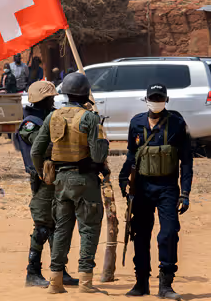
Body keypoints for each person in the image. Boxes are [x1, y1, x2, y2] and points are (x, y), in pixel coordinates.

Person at [30, 73, 109, 294]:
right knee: (89, 228)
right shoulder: (90, 118)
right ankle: (85, 282)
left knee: (62, 230)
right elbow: (98, 154)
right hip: (85, 180)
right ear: (85, 94)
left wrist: (45, 174)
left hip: (60, 181)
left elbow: (37, 151)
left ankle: (55, 282)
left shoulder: (53, 117)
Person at [119, 84, 193, 300]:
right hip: (141, 188)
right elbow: (132, 156)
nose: (156, 100)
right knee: (140, 234)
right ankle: (141, 282)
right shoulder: (137, 122)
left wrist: (185, 192)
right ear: (146, 99)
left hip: (167, 187)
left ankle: (166, 284)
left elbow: (186, 161)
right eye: (153, 97)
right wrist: (124, 180)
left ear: (166, 99)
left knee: (169, 233)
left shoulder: (177, 124)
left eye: (160, 97)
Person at [14, 81, 79, 288]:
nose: (53, 101)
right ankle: (32, 272)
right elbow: (46, 146)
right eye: (49, 99)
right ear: (39, 100)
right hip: (43, 180)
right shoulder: (30, 123)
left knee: (57, 226)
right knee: (43, 226)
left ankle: (59, 270)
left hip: (58, 178)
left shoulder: (50, 116)